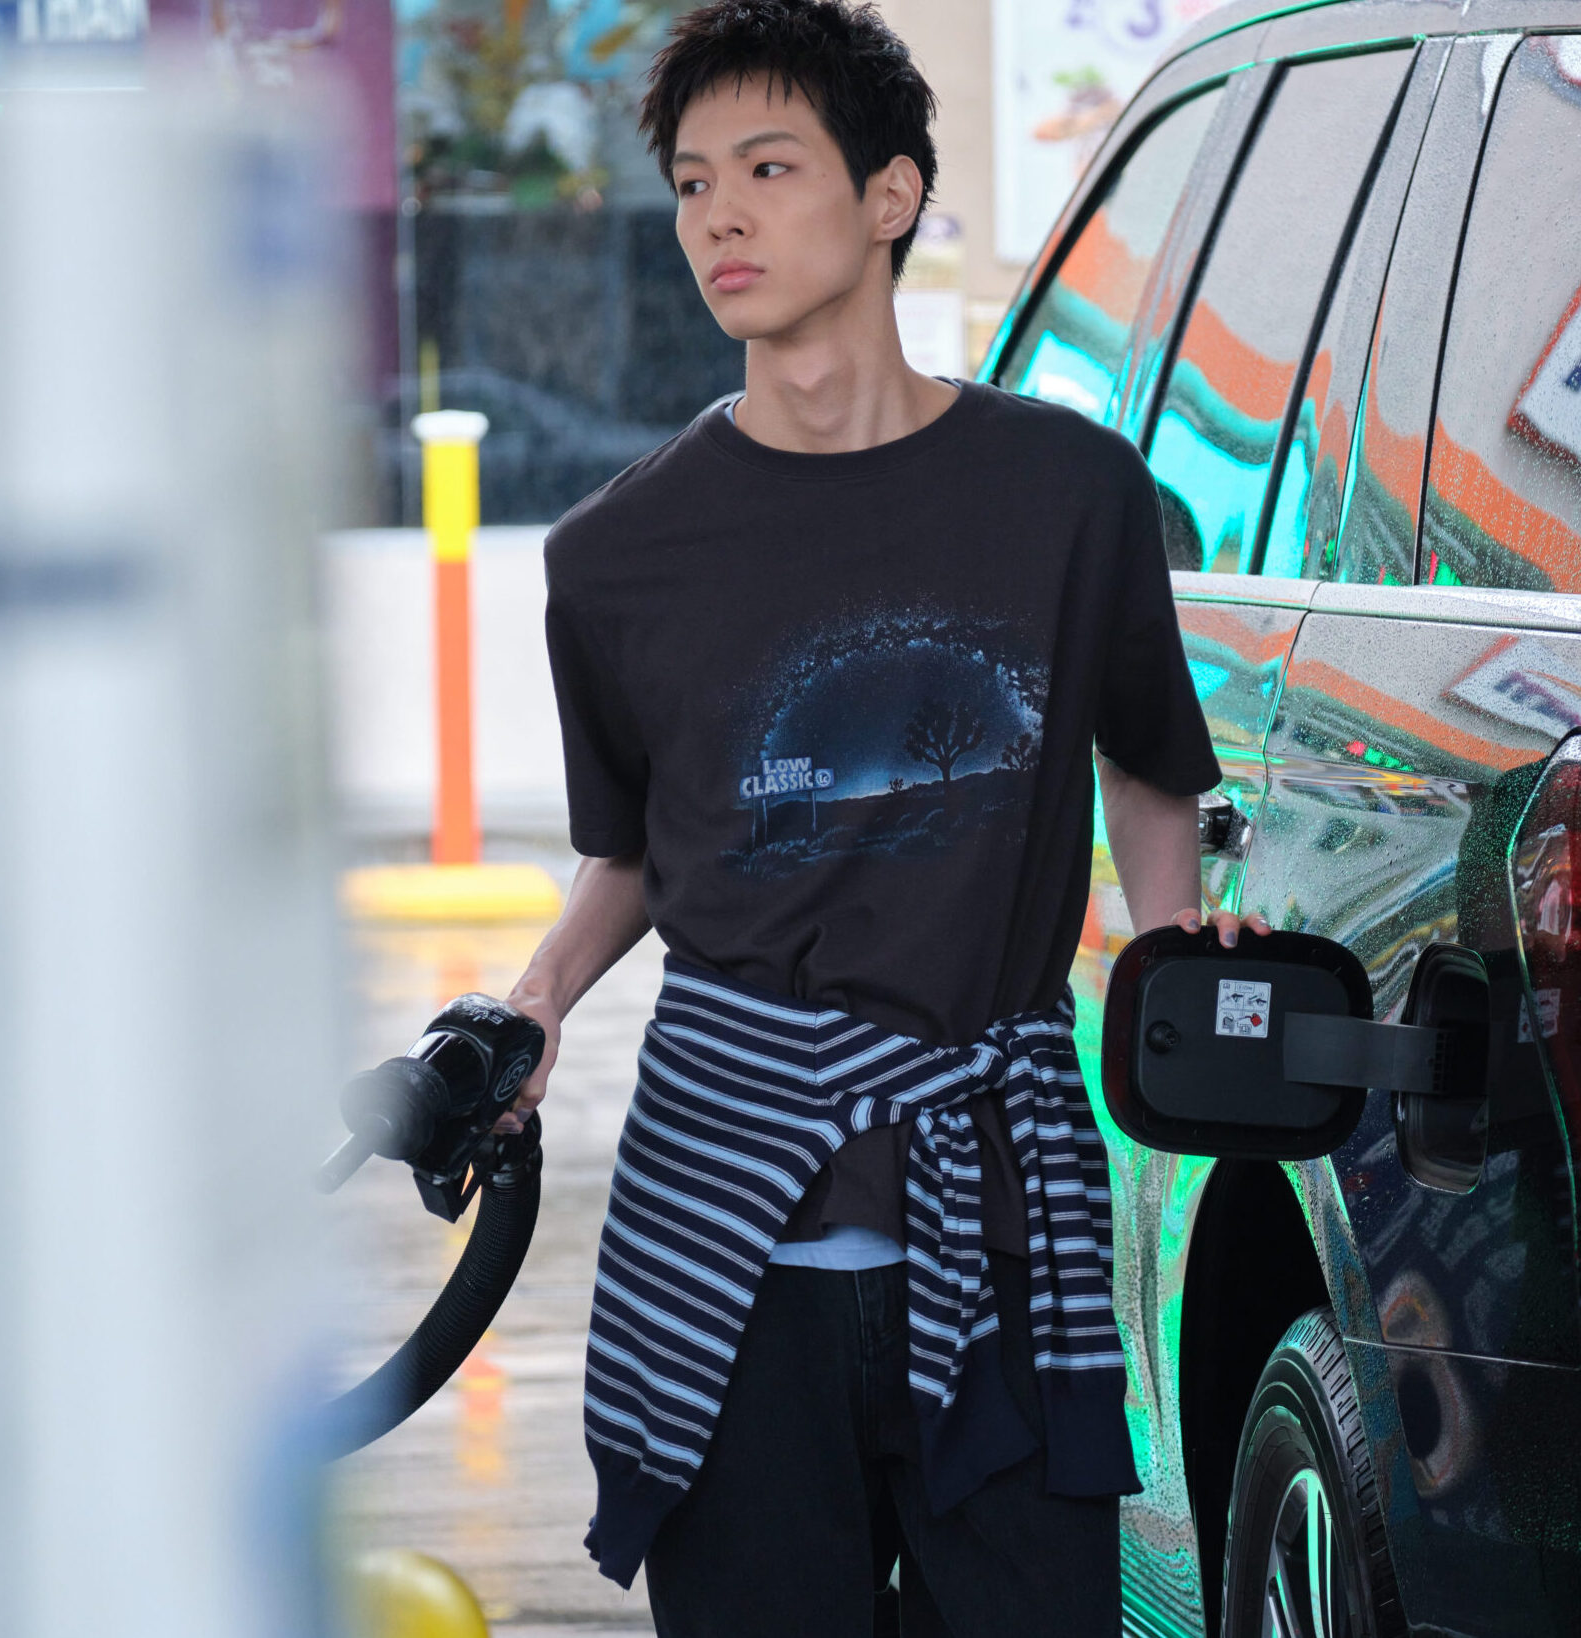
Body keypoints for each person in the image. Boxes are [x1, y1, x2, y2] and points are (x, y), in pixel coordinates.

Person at [496, 4, 1269, 1632]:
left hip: (1002, 1226)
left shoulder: (1068, 496)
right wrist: (537, 996)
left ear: (890, 195)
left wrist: (1177, 947)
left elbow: (1145, 762)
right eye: (692, 182)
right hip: (726, 1243)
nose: (719, 215)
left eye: (767, 169)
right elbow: (633, 851)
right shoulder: (614, 558)